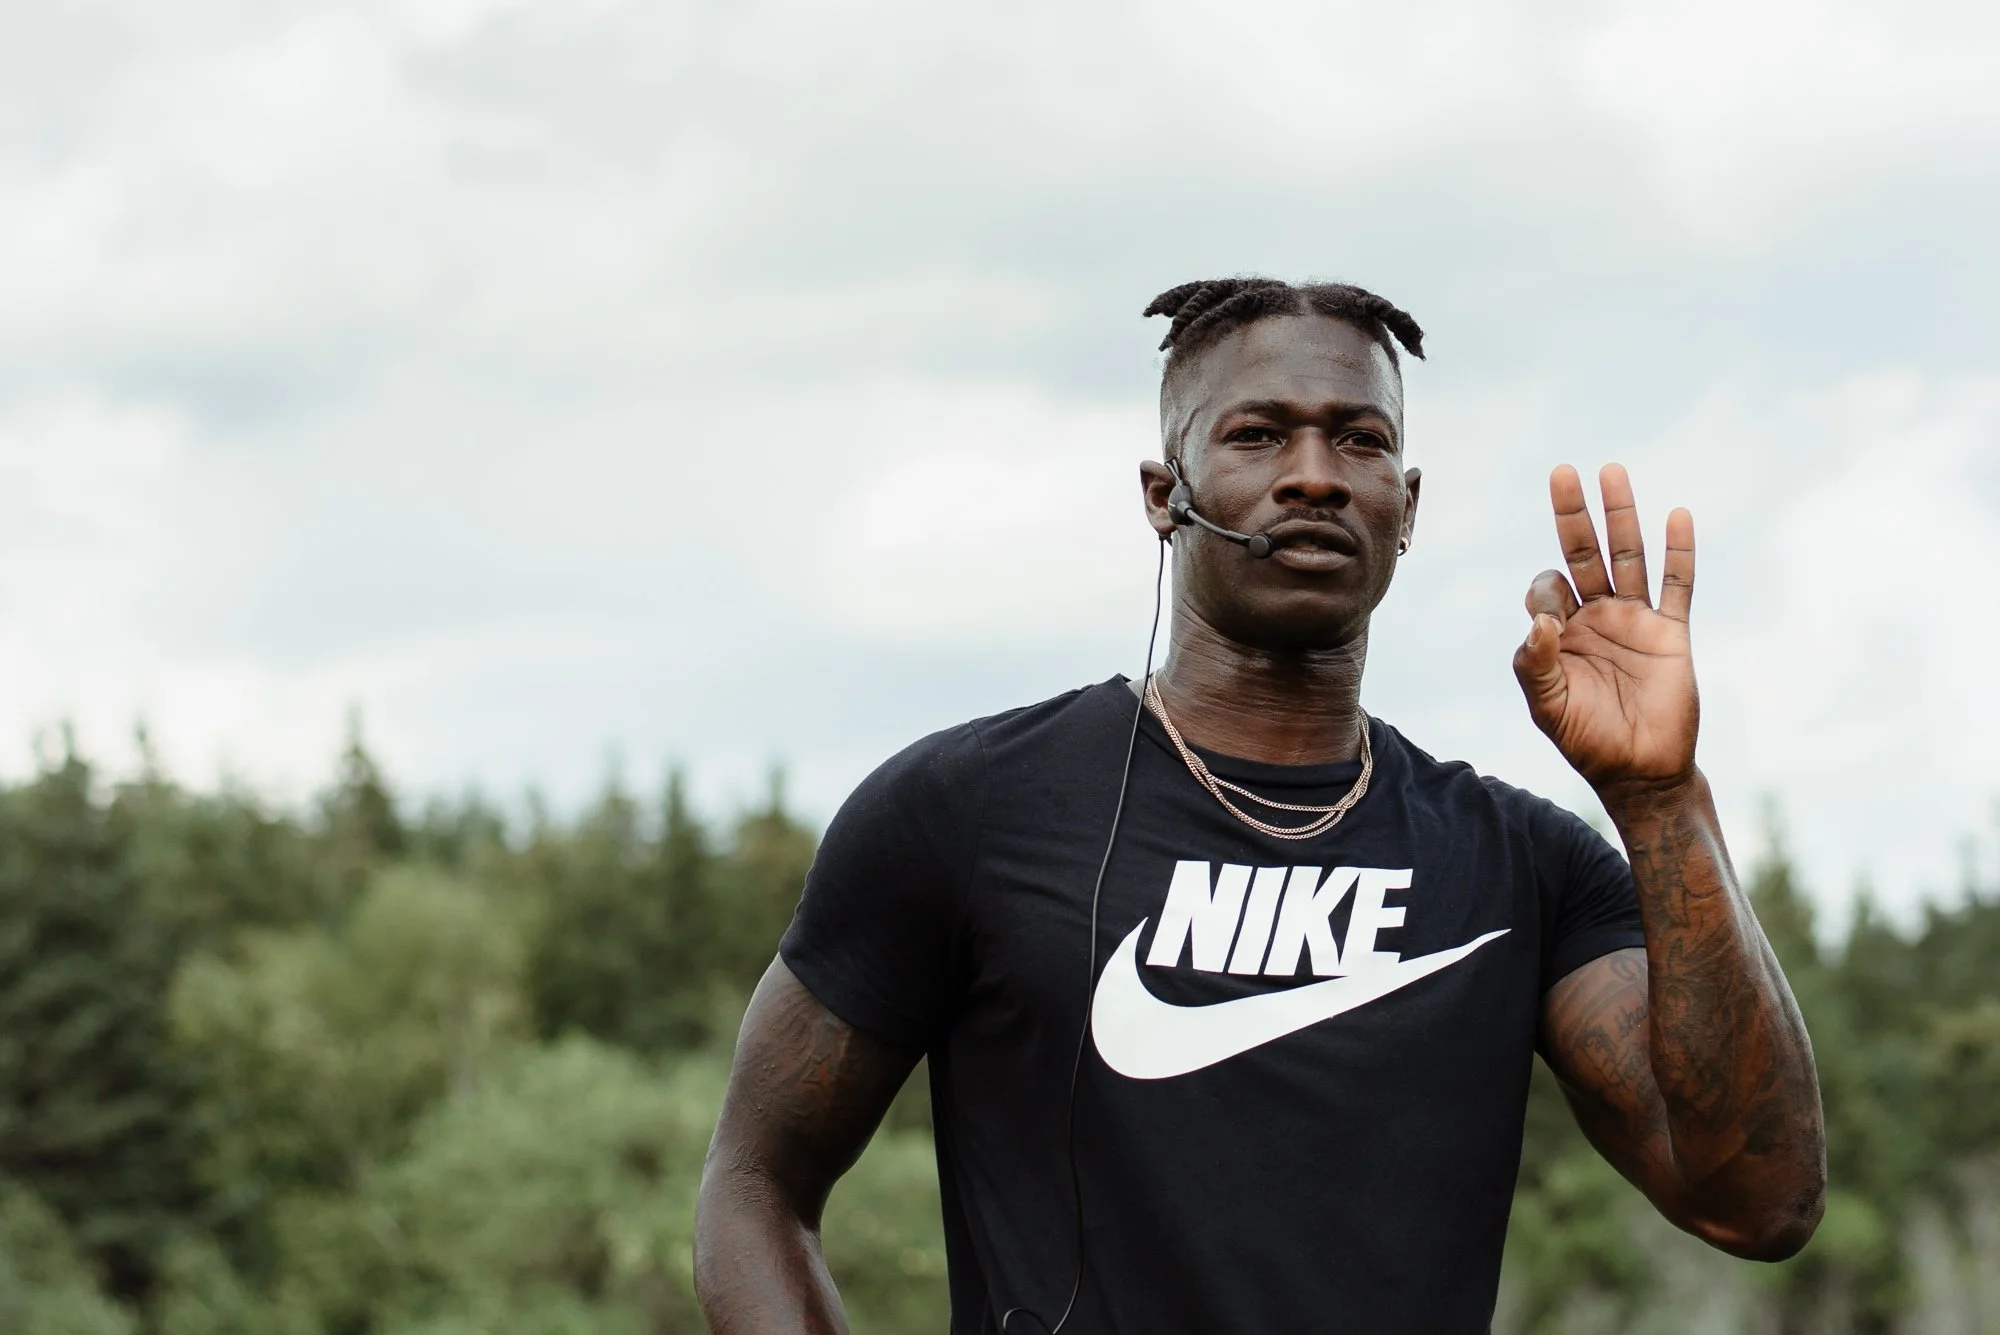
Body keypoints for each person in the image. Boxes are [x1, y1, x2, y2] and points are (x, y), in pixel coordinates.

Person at [693, 277, 1826, 1333]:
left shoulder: (1522, 864)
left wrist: (1658, 796)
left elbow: (1754, 1204)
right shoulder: (964, 809)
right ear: (1162, 495)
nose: (1315, 473)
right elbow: (754, 1188)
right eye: (1256, 434)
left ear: (1406, 504)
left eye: (1360, 438)